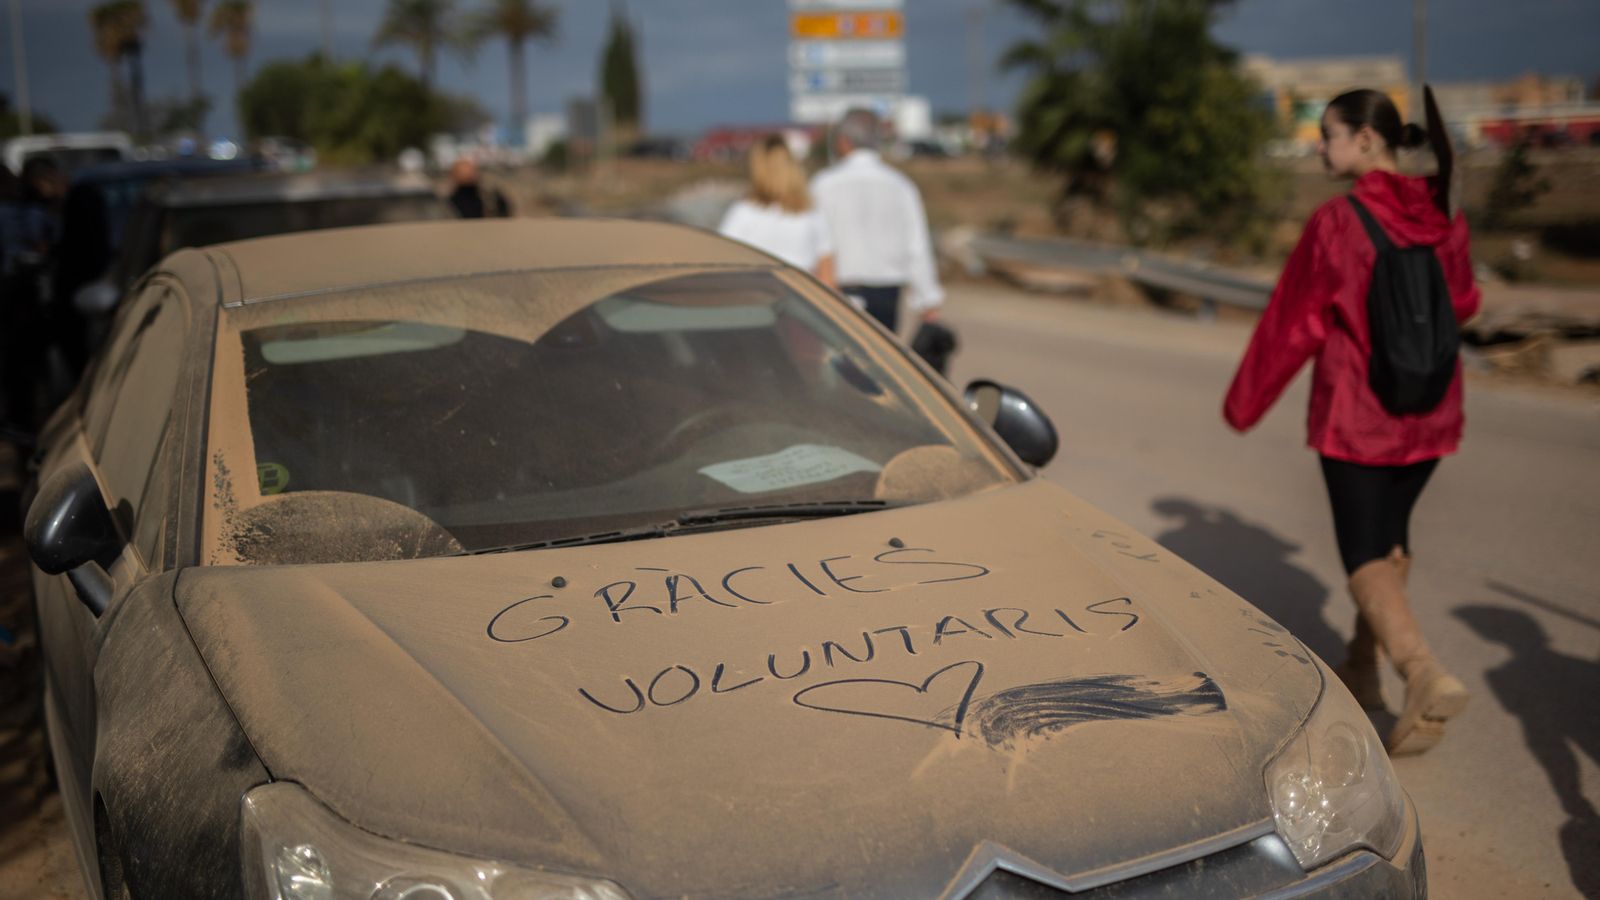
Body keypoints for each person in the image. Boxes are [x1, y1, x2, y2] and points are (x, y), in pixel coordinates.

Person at [1222, 89, 1480, 756]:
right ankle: (1362, 672)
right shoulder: (1441, 209)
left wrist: (1243, 404)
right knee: (1391, 540)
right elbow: (1466, 303)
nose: (1319, 146)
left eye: (1329, 134)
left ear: (1367, 140)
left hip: (1357, 417)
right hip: (1431, 413)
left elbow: (1294, 322)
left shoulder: (1338, 220)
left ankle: (1421, 673)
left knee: (1362, 550)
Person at [811, 108, 943, 334]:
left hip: (838, 292)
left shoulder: (823, 184)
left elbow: (811, 240)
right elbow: (917, 246)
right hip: (887, 295)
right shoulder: (901, 185)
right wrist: (927, 299)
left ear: (843, 141)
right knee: (881, 362)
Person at [717, 135, 836, 286]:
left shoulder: (743, 213)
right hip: (801, 299)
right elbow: (828, 276)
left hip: (756, 297)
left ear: (756, 168)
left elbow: (721, 263)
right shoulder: (811, 213)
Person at [446, 158, 511, 219]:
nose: (467, 174)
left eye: (470, 171)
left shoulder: (491, 197)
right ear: (454, 175)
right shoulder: (447, 202)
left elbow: (505, 214)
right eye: (461, 172)